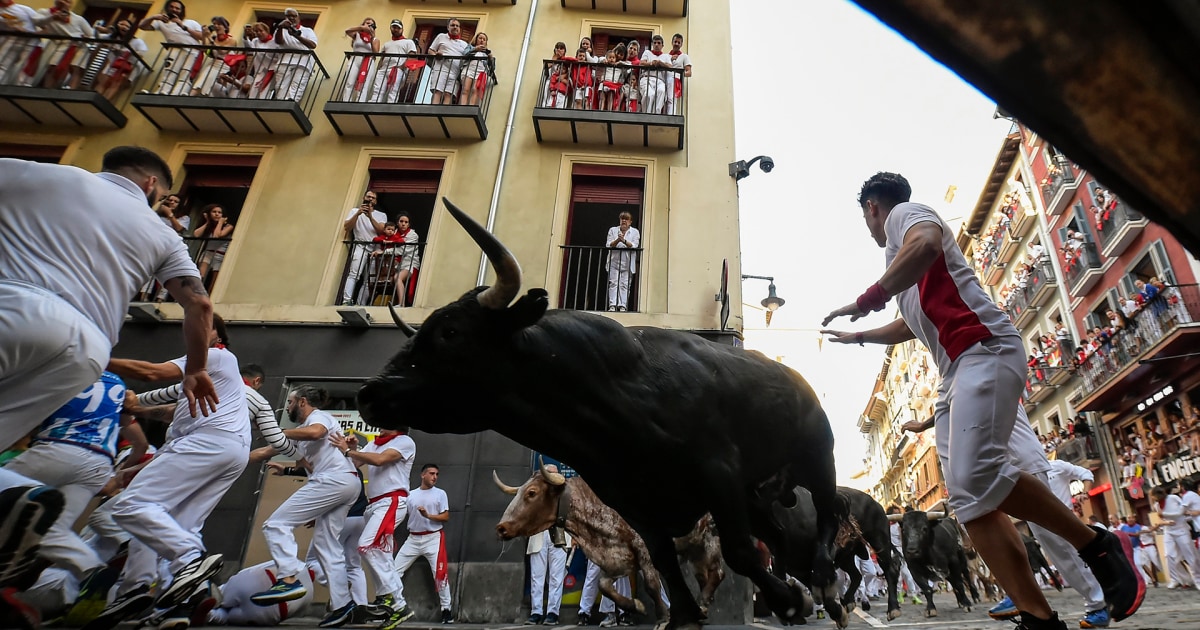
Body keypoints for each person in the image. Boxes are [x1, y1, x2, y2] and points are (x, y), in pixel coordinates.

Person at [821, 172, 1143, 630]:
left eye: (866, 218)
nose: (871, 228)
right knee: (968, 502)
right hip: (955, 370)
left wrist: (867, 299)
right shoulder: (903, 264)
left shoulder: (903, 219)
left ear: (873, 208)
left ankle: (1099, 546)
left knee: (978, 473)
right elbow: (909, 325)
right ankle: (1037, 616)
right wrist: (857, 336)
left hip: (984, 348)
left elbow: (929, 244)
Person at [0, 146, 216, 582]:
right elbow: (199, 302)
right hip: (89, 348)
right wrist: (196, 369)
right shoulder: (162, 233)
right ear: (151, 184)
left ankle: (17, 495)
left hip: (14, 306)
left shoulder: (39, 174)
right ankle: (20, 503)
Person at [88, 313, 247, 629]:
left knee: (131, 506)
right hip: (230, 449)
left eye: (203, 326)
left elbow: (150, 373)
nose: (193, 331)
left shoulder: (212, 357)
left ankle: (189, 561)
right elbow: (172, 411)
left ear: (218, 336)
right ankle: (169, 601)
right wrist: (138, 410)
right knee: (171, 523)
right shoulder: (214, 371)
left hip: (207, 443)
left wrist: (96, 358)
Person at [250, 385, 360, 628]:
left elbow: (316, 433)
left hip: (333, 480)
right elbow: (265, 452)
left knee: (276, 524)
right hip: (345, 482)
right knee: (326, 546)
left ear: (301, 402)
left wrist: (281, 431)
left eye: (289, 402)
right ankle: (343, 606)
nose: (287, 407)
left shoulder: (318, 417)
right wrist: (228, 460)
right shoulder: (301, 430)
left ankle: (288, 579)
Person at [330, 427, 416, 630]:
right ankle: (399, 606)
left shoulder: (404, 441)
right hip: (375, 504)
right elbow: (356, 463)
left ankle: (387, 596)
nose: (378, 424)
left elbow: (379, 460)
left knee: (367, 546)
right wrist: (352, 448)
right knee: (381, 554)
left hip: (391, 501)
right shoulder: (375, 443)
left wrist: (348, 450)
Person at [393, 463, 453, 624]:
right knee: (393, 571)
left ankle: (446, 610)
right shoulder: (410, 495)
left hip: (433, 538)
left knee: (440, 575)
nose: (435, 477)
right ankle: (395, 607)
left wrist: (428, 516)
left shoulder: (440, 494)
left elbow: (445, 517)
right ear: (423, 475)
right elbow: (400, 515)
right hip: (413, 538)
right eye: (432, 473)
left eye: (437, 474)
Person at [207, 561, 314, 626]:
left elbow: (253, 569)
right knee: (227, 617)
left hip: (259, 584)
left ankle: (200, 598)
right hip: (270, 615)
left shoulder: (297, 563)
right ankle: (210, 615)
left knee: (221, 596)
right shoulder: (310, 595)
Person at [526, 466, 568, 626]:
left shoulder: (565, 493)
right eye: (548, 473)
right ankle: (536, 612)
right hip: (538, 535)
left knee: (556, 577)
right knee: (537, 577)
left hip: (559, 535)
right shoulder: (535, 492)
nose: (551, 476)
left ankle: (552, 613)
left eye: (554, 473)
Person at [139, 0, 203, 95]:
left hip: (193, 50)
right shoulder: (161, 22)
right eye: (172, 7)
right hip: (174, 48)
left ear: (182, 11)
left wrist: (182, 25)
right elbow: (142, 26)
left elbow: (201, 36)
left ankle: (179, 93)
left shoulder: (190, 22)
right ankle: (162, 91)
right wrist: (153, 17)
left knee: (186, 72)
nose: (174, 9)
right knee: (169, 70)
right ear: (167, 8)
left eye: (177, 8)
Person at [340, 190, 387, 305]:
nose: (370, 199)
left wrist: (370, 216)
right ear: (363, 198)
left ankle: (360, 304)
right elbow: (347, 227)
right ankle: (346, 301)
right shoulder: (354, 211)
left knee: (369, 280)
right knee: (354, 274)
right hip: (360, 245)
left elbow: (381, 231)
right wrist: (358, 214)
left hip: (374, 249)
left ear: (376, 201)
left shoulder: (381, 215)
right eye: (368, 196)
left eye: (373, 198)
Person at [1150, 486, 1199, 588]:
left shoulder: (1173, 498)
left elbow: (1181, 512)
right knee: (1168, 556)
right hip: (1168, 531)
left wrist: (1165, 514)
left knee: (1189, 555)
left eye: (1153, 496)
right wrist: (1166, 522)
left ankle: (1197, 579)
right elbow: (1160, 520)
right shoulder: (1156, 506)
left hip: (1181, 529)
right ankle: (1179, 579)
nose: (1153, 498)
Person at [270, 7, 317, 101]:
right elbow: (279, 42)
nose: (291, 18)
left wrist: (296, 36)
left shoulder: (307, 30)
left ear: (298, 18)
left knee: (297, 84)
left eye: (293, 16)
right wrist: (280, 27)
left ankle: (291, 102)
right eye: (288, 16)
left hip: (303, 62)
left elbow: (312, 45)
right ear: (285, 18)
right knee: (280, 85)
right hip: (284, 60)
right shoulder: (281, 30)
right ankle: (280, 102)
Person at [369, 19, 419, 104]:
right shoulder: (387, 44)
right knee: (377, 90)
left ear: (402, 29)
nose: (395, 29)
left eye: (398, 28)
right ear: (390, 28)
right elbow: (382, 58)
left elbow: (412, 55)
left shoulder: (408, 42)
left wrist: (401, 67)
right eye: (394, 27)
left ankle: (390, 107)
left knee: (393, 91)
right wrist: (379, 69)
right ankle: (374, 105)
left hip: (397, 69)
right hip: (383, 69)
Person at [885, 506, 925, 604]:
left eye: (899, 513)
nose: (897, 515)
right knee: (897, 576)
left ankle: (913, 595)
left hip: (903, 551)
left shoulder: (903, 526)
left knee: (908, 574)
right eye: (895, 513)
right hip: (892, 552)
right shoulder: (886, 526)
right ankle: (899, 594)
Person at [427, 17, 471, 105]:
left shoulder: (464, 44)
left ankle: (443, 112)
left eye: (457, 26)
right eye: (452, 25)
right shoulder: (441, 36)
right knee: (437, 91)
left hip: (455, 73)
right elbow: (430, 50)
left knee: (449, 94)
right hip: (441, 69)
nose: (455, 27)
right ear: (448, 27)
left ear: (459, 28)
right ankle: (433, 110)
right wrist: (436, 55)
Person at [193, 204, 235, 291]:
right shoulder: (208, 226)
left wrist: (220, 222)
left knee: (214, 281)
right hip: (208, 253)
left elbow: (217, 235)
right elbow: (196, 234)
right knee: (200, 275)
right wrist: (207, 222)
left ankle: (209, 299)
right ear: (209, 213)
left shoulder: (229, 226)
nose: (217, 214)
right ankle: (196, 294)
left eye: (219, 212)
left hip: (220, 255)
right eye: (214, 212)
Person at [605, 212, 640, 312]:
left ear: (630, 222)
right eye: (622, 219)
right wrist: (618, 240)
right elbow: (609, 244)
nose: (624, 221)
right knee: (613, 283)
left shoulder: (635, 232)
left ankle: (622, 306)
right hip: (614, 261)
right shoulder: (613, 230)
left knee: (625, 284)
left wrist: (623, 241)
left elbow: (634, 245)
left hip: (628, 263)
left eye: (626, 219)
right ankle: (612, 305)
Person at [341, 17, 379, 102]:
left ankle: (360, 101)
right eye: (367, 23)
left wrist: (372, 38)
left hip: (368, 60)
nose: (369, 25)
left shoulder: (375, 40)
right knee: (350, 82)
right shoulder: (357, 35)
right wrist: (361, 28)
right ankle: (346, 101)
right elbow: (347, 31)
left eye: (371, 24)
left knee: (364, 84)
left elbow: (376, 53)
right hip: (355, 59)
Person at [1118, 515, 1159, 587]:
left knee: (1140, 563)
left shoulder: (1138, 527)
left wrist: (1128, 534)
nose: (1130, 519)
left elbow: (1137, 535)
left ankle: (1151, 579)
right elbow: (1120, 536)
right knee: (1134, 565)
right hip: (1127, 548)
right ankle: (1142, 581)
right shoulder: (1123, 527)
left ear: (1134, 519)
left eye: (1132, 518)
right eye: (1128, 518)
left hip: (1137, 547)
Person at [638, 35, 672, 114]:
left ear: (662, 46)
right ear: (652, 44)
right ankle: (647, 114)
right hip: (646, 78)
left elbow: (670, 66)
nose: (656, 44)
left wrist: (660, 63)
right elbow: (641, 63)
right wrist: (651, 63)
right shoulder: (647, 52)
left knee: (661, 91)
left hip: (660, 80)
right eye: (655, 43)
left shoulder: (666, 56)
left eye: (659, 43)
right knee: (649, 94)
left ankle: (656, 114)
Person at [458, 31, 493, 106]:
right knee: (465, 89)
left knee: (475, 90)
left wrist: (491, 58)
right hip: (469, 69)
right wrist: (475, 49)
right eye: (480, 38)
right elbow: (464, 54)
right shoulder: (470, 47)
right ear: (476, 39)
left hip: (480, 72)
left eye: (484, 39)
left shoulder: (487, 52)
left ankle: (471, 106)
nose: (482, 40)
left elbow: (493, 68)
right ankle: (463, 106)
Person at [665, 33, 691, 115]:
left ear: (681, 44)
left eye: (678, 42)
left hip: (675, 79)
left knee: (672, 99)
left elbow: (689, 72)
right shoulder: (666, 56)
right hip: (664, 78)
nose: (676, 44)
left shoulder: (684, 56)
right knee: (664, 98)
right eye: (675, 41)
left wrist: (679, 74)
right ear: (672, 42)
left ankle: (670, 116)